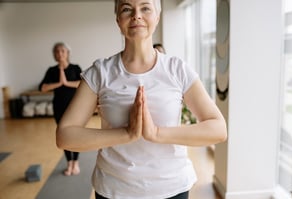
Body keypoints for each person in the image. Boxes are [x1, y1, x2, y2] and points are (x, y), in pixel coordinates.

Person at [56, 0, 227, 198]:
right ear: (118, 19)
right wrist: (127, 134)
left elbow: (218, 128)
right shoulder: (100, 72)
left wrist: (155, 133)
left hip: (172, 188)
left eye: (145, 8)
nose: (136, 15)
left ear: (157, 16)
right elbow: (64, 136)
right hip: (114, 190)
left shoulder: (177, 69)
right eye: (127, 9)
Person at [39, 42, 82, 176]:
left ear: (68, 53)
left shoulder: (75, 68)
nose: (60, 54)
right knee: (63, 135)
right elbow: (42, 87)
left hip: (74, 107)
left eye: (62, 51)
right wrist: (59, 83)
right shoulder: (51, 70)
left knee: (75, 135)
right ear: (54, 55)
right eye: (57, 51)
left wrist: (67, 83)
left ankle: (76, 162)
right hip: (59, 107)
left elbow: (84, 83)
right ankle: (69, 163)